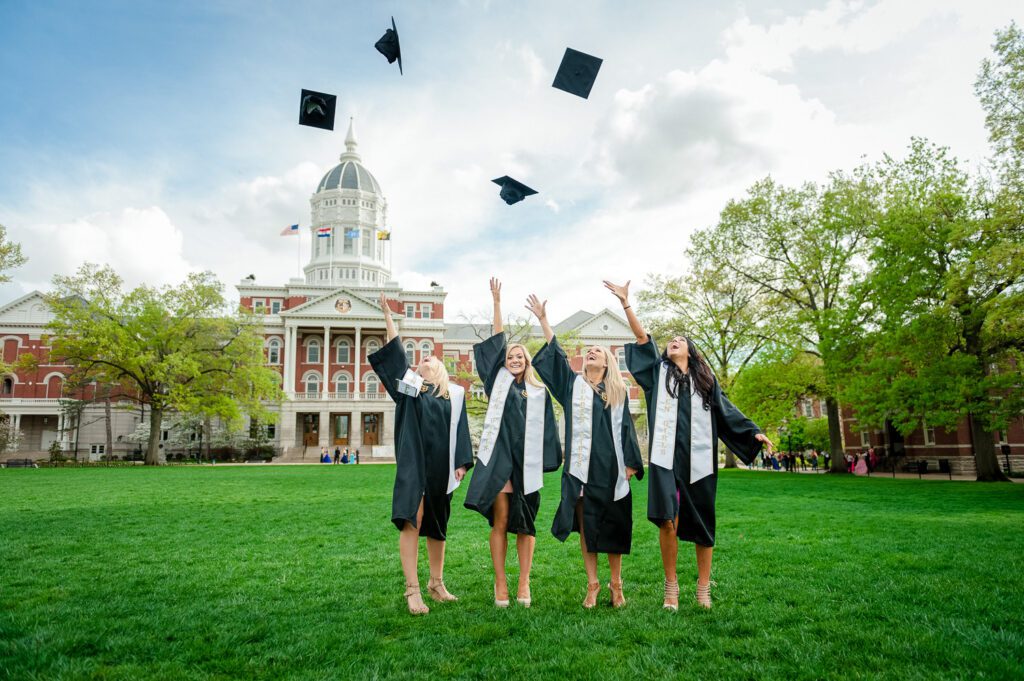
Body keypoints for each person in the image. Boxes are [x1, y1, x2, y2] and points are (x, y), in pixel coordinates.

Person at [608, 280, 773, 611]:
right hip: (665, 460)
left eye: (680, 341)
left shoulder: (706, 382)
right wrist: (626, 304)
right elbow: (643, 341)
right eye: (671, 341)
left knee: (702, 523)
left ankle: (702, 586)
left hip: (699, 461)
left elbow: (727, 412)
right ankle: (671, 587)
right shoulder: (657, 375)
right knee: (668, 519)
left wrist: (752, 432)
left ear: (691, 351)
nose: (673, 342)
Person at [526, 292, 643, 609]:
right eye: (588, 351)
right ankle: (592, 585)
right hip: (580, 470)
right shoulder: (572, 386)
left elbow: (627, 431)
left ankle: (616, 585)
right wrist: (543, 320)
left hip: (612, 471)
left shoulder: (617, 392)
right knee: (587, 528)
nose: (591, 353)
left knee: (615, 528)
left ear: (607, 362)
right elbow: (556, 357)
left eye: (597, 351)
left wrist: (631, 464)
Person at [369, 293, 474, 616]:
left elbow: (461, 432)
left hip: (442, 468)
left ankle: (436, 583)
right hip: (415, 465)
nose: (424, 360)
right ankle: (412, 589)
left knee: (438, 526)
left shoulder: (452, 395)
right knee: (412, 520)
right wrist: (389, 317)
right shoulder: (409, 388)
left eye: (430, 360)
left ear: (440, 370)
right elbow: (396, 353)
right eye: (421, 360)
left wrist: (461, 463)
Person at [464, 278, 563, 608]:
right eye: (510, 356)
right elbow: (495, 342)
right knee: (502, 521)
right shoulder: (498, 383)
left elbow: (549, 431)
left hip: (527, 466)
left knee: (526, 524)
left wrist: (550, 460)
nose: (514, 358)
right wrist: (496, 304)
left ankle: (524, 583)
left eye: (520, 355)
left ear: (527, 361)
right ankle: (501, 583)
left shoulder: (538, 393)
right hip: (500, 463)